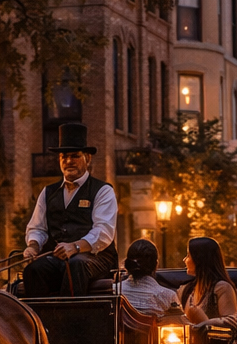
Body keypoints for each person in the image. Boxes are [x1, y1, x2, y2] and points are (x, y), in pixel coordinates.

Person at [21, 123, 118, 296]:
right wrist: (33, 247)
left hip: (97, 257)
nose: (68, 161)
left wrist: (75, 247)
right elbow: (37, 228)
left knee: (76, 264)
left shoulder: (103, 191)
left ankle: (71, 319)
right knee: (33, 269)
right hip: (58, 258)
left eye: (75, 156)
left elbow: (103, 232)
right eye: (64, 156)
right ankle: (39, 320)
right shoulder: (48, 192)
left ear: (87, 158)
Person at [178, 236, 237, 326]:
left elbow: (230, 322)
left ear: (199, 259)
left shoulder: (222, 287)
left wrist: (203, 324)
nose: (185, 260)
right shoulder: (186, 289)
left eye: (188, 255)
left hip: (217, 339)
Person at [115, 239, 179, 316]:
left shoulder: (114, 291)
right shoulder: (168, 296)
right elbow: (181, 324)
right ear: (156, 264)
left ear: (128, 264)